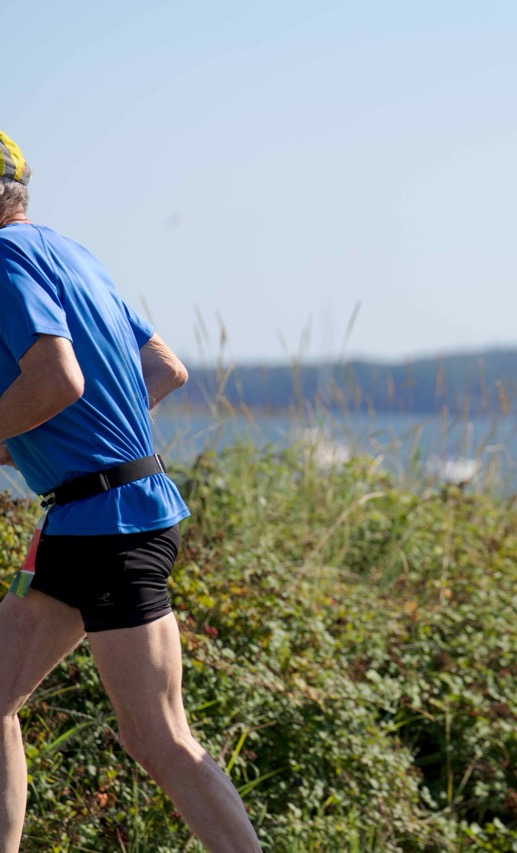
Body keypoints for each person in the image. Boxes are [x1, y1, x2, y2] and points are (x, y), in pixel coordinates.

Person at [0, 131, 261, 851]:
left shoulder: (4, 260)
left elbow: (57, 379)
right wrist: (85, 439)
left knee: (158, 736)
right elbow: (165, 368)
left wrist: (81, 438)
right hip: (89, 517)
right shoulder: (73, 255)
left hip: (110, 526)